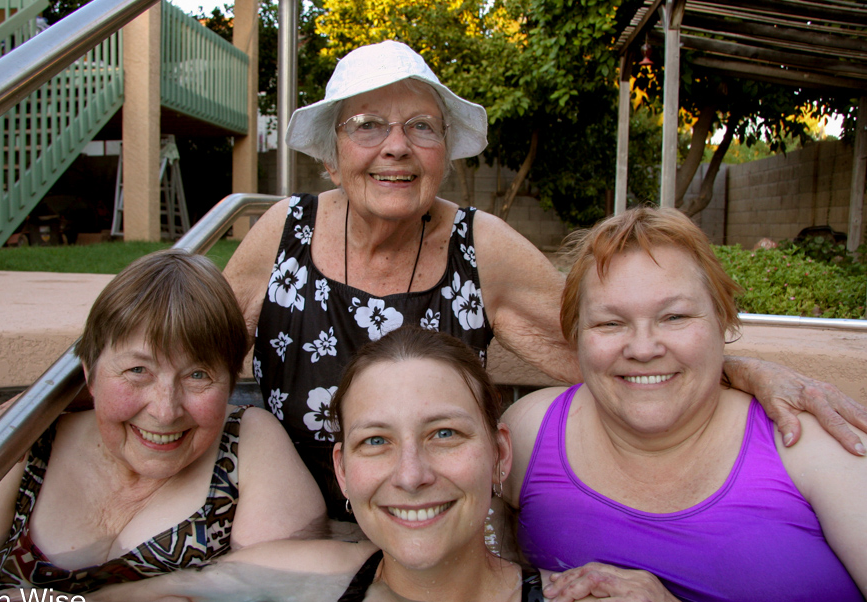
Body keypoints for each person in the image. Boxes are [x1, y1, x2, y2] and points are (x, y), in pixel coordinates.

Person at [223, 40, 867, 520]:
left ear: (443, 154)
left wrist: (745, 373)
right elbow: (193, 354)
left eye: (421, 126)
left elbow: (607, 346)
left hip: (438, 523)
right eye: (367, 125)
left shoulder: (480, 246)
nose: (396, 145)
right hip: (292, 520)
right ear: (332, 157)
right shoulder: (284, 232)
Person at [502, 207, 867, 602]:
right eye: (609, 323)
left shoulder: (810, 443)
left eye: (674, 317)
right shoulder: (529, 433)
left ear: (723, 320)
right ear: (576, 338)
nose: (642, 349)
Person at [0, 250, 324, 602]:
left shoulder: (249, 443)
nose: (165, 411)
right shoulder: (28, 439)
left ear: (230, 382)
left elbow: (279, 601)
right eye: (137, 371)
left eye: (198, 375)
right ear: (90, 375)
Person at [90, 327, 585, 602]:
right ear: (342, 470)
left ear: (500, 454)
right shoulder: (302, 576)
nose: (411, 476)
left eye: (444, 434)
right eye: (376, 441)